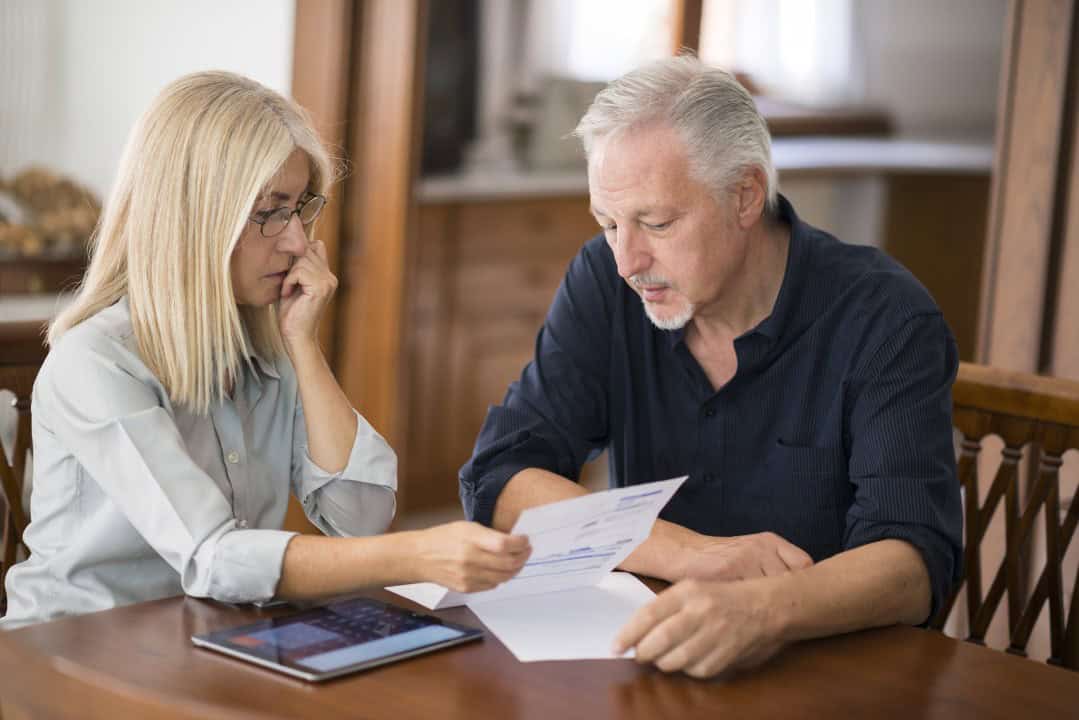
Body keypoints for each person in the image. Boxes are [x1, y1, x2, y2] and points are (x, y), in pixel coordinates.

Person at [459, 56, 962, 678]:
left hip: (831, 673)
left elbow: (914, 563)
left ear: (745, 195)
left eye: (657, 222)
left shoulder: (886, 317)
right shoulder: (606, 282)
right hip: (654, 664)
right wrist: (694, 556)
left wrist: (763, 608)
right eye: (608, 222)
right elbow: (503, 475)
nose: (626, 259)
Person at [2, 71, 530, 629]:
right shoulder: (96, 361)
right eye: (270, 211)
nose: (298, 241)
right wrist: (417, 555)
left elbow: (363, 520)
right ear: (196, 215)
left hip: (204, 640)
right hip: (72, 658)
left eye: (301, 207)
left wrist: (304, 346)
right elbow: (213, 556)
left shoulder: (264, 344)